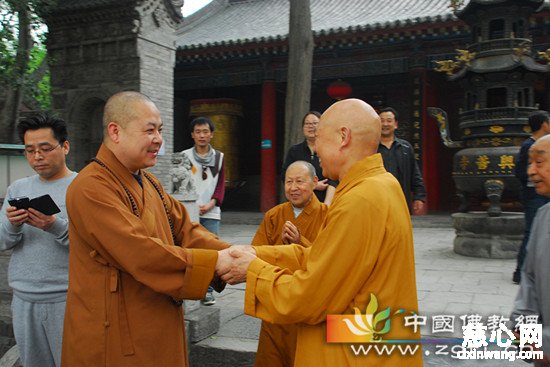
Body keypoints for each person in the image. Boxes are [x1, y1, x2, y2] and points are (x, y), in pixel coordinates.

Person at [217, 99, 422, 366]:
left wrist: (254, 270)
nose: (315, 152)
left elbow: (310, 296)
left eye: (319, 139)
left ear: (343, 137)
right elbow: (323, 258)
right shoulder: (384, 184)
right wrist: (258, 253)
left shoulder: (361, 199)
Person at [61, 91, 230, 367]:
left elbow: (187, 231)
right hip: (116, 333)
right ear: (115, 131)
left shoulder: (149, 182)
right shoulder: (89, 187)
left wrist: (236, 254)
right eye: (149, 130)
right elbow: (140, 252)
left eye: (160, 130)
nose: (158, 139)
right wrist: (216, 263)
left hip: (155, 319)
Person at [0, 112, 76, 367]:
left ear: (65, 146)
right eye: (30, 150)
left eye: (45, 148)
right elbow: (2, 242)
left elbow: (97, 246)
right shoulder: (17, 189)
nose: (37, 157)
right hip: (23, 298)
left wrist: (55, 226)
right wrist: (12, 224)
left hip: (68, 299)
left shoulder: (85, 187)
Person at [252, 160, 329, 367]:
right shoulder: (274, 216)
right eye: (288, 182)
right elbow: (255, 254)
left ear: (314, 182)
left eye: (299, 182)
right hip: (276, 305)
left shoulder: (327, 215)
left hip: (307, 306)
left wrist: (299, 243)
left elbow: (330, 261)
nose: (293, 188)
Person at [511, 134, 550, 366]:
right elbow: (530, 279)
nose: (531, 172)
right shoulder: (543, 216)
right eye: (529, 163)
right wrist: (522, 329)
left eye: (540, 163)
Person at [183, 116, 226, 305]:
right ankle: (190, 288)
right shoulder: (184, 156)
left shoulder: (219, 157)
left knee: (211, 252)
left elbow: (221, 185)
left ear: (211, 134)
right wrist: (191, 206)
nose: (202, 135)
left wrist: (211, 203)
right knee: (190, 251)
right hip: (189, 211)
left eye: (205, 132)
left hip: (211, 211)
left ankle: (208, 290)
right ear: (192, 135)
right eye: (198, 132)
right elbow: (180, 185)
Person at [512, 111, 550, 284]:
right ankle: (521, 272)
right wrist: (534, 182)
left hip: (541, 195)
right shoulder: (529, 145)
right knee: (532, 232)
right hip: (534, 196)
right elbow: (520, 171)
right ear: (544, 124)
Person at [377, 107, 427, 215]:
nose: (385, 124)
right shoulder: (370, 148)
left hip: (401, 200)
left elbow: (415, 174)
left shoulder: (405, 147)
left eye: (389, 121)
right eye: (382, 121)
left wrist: (419, 197)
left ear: (396, 124)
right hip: (377, 200)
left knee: (400, 231)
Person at [282, 111, 338, 205]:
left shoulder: (330, 149)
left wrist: (326, 206)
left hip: (325, 202)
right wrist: (313, 185)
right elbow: (285, 176)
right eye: (307, 123)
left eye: (315, 123)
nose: (311, 126)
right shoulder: (294, 151)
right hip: (299, 203)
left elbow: (335, 178)